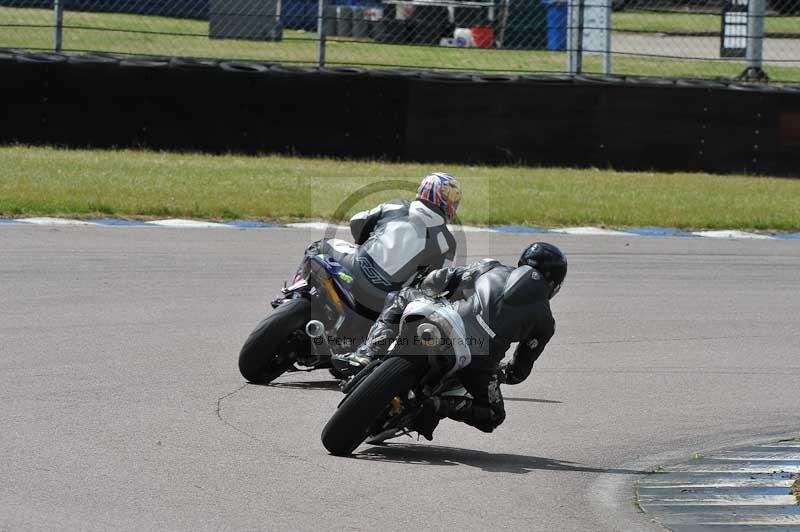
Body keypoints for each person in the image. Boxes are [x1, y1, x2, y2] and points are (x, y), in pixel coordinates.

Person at [337, 242, 567, 440]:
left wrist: (427, 289)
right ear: (555, 285)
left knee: (402, 296)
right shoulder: (546, 322)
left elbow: (439, 279)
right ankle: (439, 405)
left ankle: (368, 352)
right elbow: (518, 372)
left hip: (445, 319)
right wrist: (499, 373)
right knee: (493, 415)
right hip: (478, 361)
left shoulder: (492, 267)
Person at [325, 173, 462, 374]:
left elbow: (357, 222)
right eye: (450, 197)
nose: (452, 203)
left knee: (321, 246)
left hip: (355, 270)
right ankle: (368, 352)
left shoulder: (395, 205)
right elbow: (434, 280)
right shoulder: (447, 241)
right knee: (407, 299)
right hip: (385, 300)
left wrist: (363, 245)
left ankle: (294, 293)